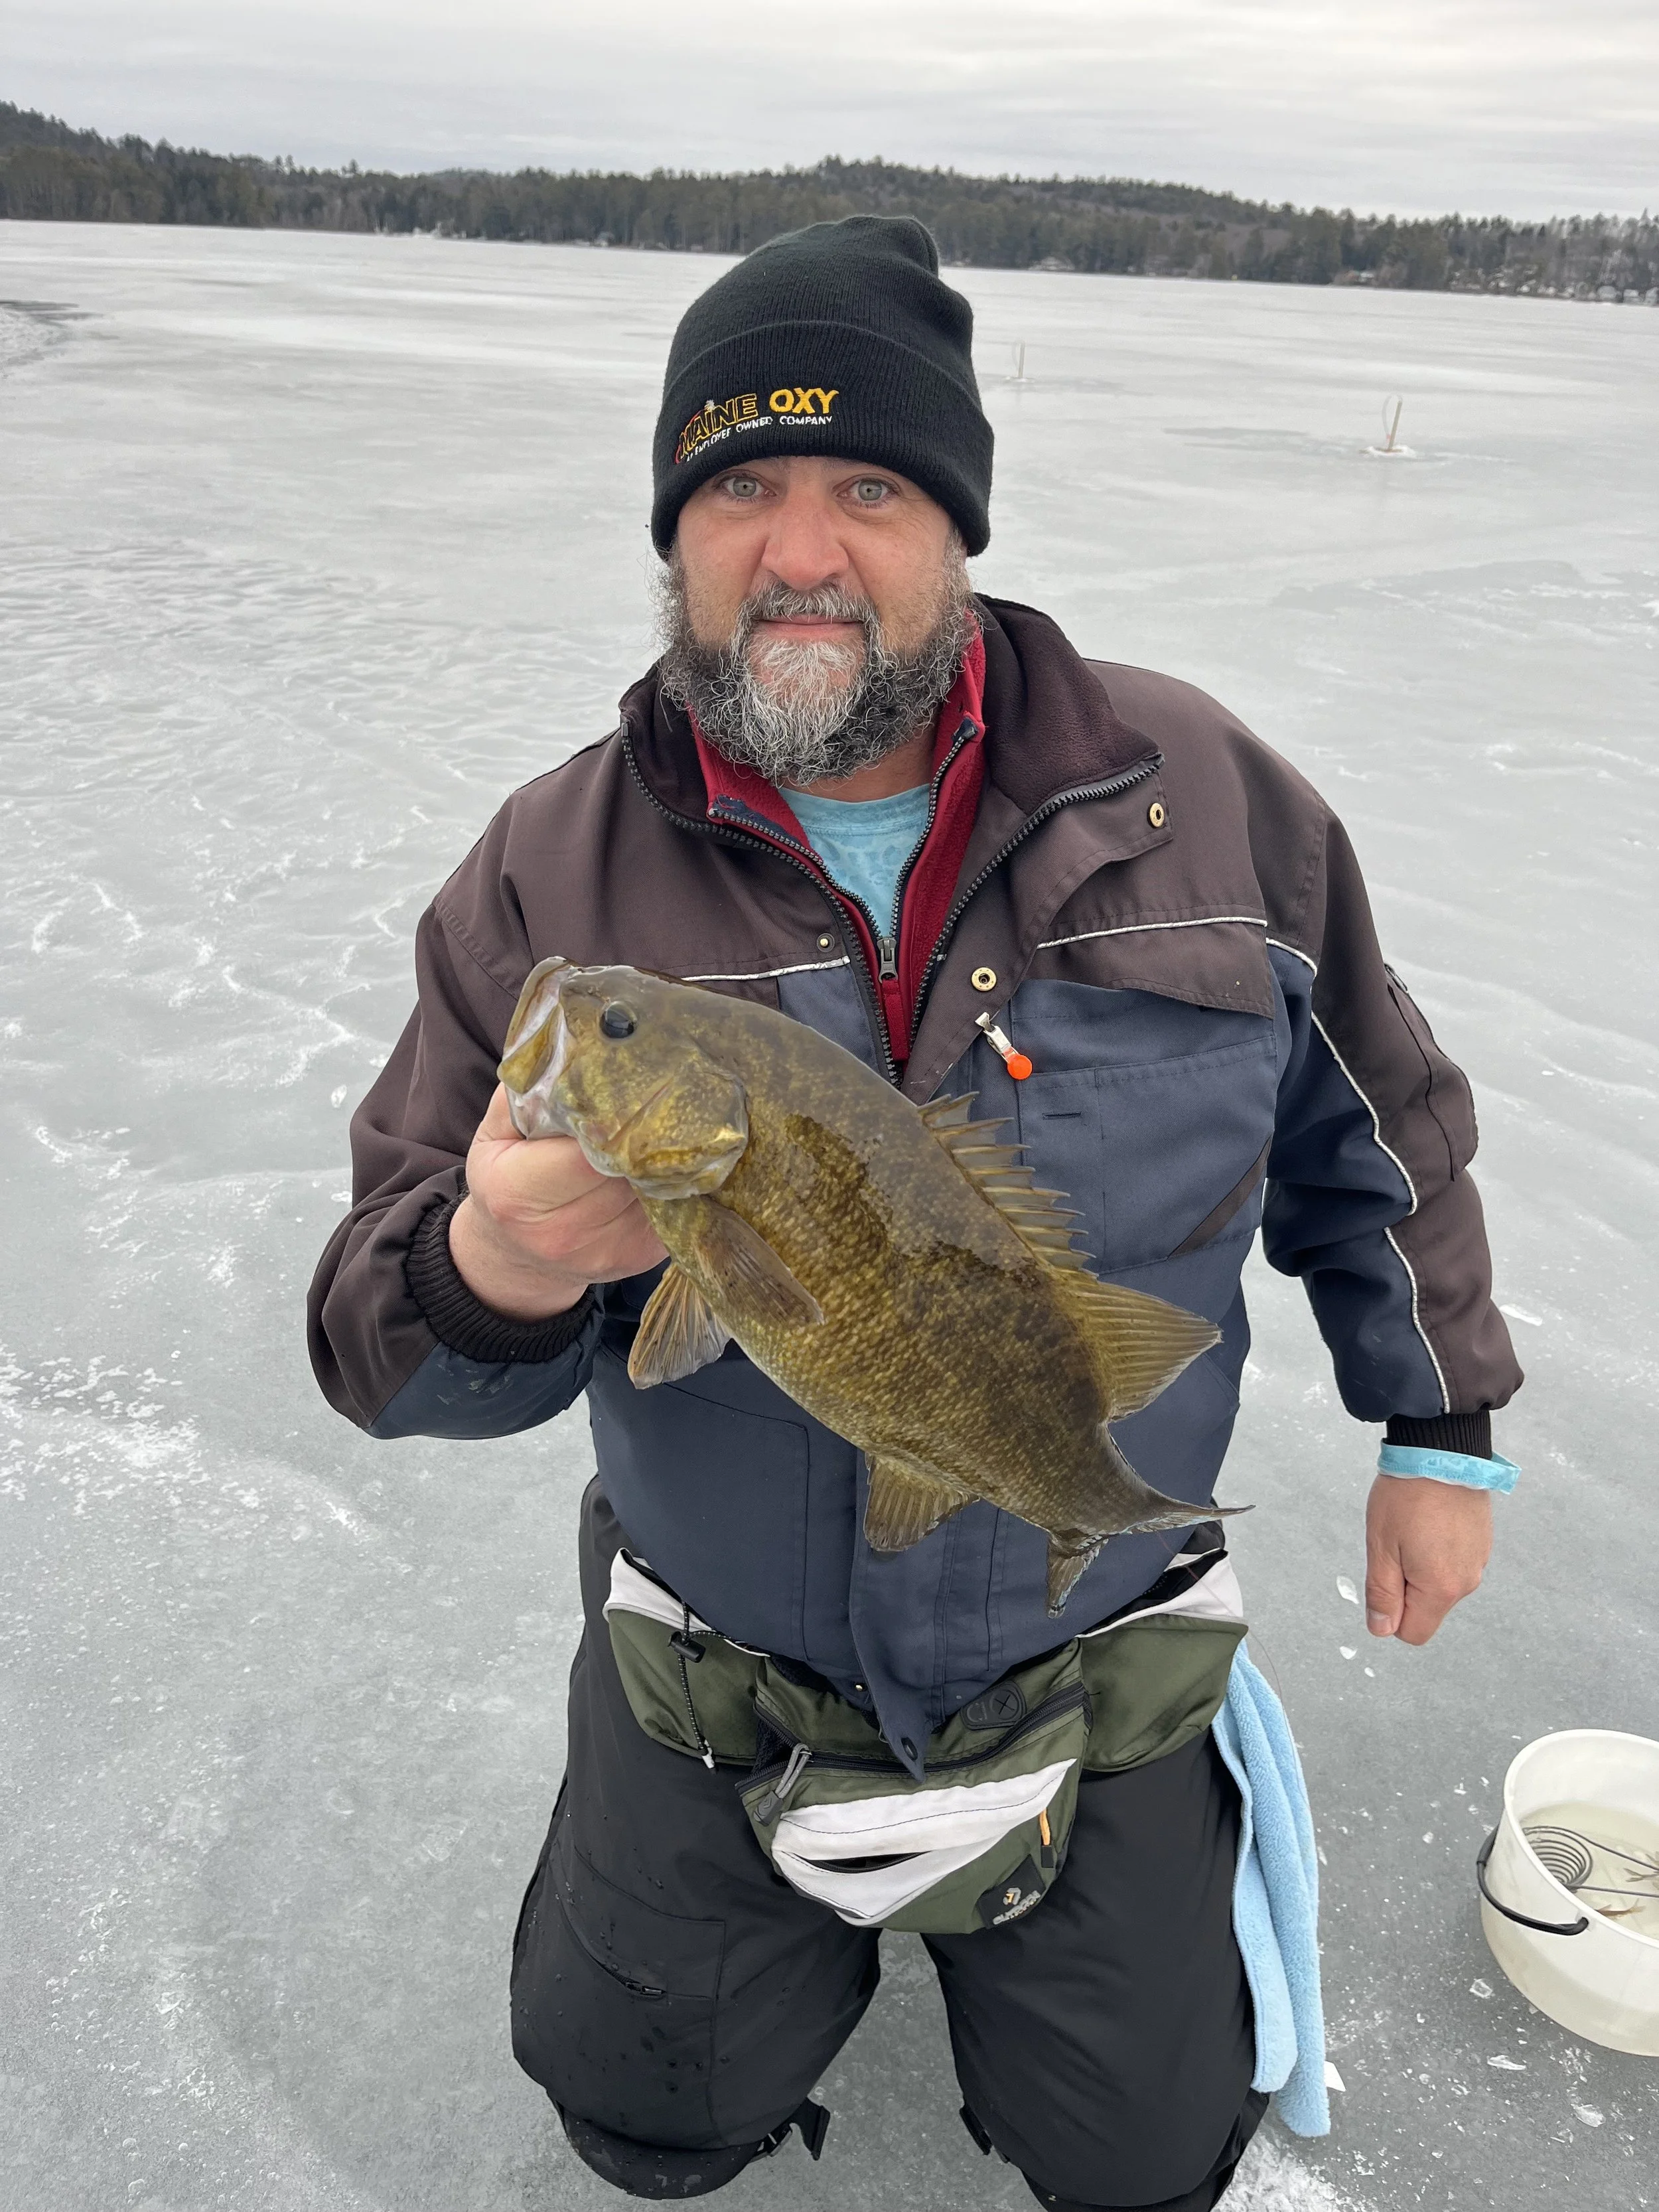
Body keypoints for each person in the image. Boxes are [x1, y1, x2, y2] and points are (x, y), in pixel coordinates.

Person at [308, 216, 1522, 2210]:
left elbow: (1376, 1127)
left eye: (866, 488)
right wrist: (500, 1266)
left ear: (953, 523)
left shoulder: (1208, 796)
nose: (799, 549)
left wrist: (1437, 1420)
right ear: (672, 536)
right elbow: (373, 1350)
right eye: (739, 491)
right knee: (639, 2116)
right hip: (718, 1661)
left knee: (1142, 2164)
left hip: (1084, 1629)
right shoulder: (546, 872)